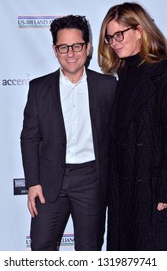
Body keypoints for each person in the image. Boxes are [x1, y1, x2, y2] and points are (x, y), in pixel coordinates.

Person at [20, 15, 116, 251]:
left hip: (91, 180)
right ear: (55, 49)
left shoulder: (107, 86)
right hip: (50, 181)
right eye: (63, 47)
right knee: (41, 247)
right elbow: (29, 138)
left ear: (88, 47)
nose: (70, 53)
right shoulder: (39, 88)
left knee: (88, 251)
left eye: (76, 46)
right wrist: (33, 183)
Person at [98, 2, 167, 250]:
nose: (114, 43)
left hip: (151, 188)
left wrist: (164, 189)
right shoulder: (123, 74)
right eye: (109, 37)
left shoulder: (161, 72)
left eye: (119, 34)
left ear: (139, 30)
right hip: (123, 188)